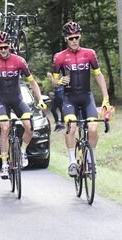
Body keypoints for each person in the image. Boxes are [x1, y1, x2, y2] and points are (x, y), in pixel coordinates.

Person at [0, 32, 47, 179]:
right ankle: (4, 164)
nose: (3, 50)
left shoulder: (19, 61)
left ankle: (22, 152)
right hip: (1, 100)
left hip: (17, 99)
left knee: (29, 126)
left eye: (5, 47)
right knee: (5, 128)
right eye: (0, 47)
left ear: (10, 45)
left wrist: (40, 99)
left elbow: (32, 82)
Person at [52, 21, 110, 177]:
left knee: (92, 128)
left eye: (76, 37)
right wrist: (59, 81)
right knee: (71, 126)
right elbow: (54, 81)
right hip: (69, 98)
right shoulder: (60, 57)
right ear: (66, 39)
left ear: (80, 36)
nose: (74, 41)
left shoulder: (89, 53)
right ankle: (72, 162)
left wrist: (106, 98)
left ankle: (90, 160)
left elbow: (98, 75)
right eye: (71, 38)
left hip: (86, 96)